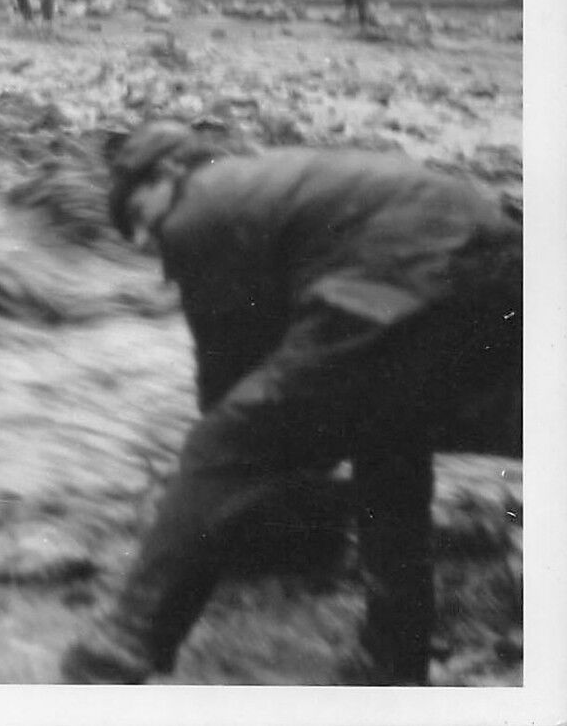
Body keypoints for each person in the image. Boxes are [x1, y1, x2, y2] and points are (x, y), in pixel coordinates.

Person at [59, 121, 523, 686]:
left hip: (396, 278)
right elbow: (301, 370)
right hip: (502, 264)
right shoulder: (274, 185)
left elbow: (230, 377)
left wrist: (214, 502)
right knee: (389, 444)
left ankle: (122, 645)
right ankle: (394, 658)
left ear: (167, 174)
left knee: (222, 445)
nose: (142, 240)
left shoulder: (198, 208)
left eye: (136, 217)